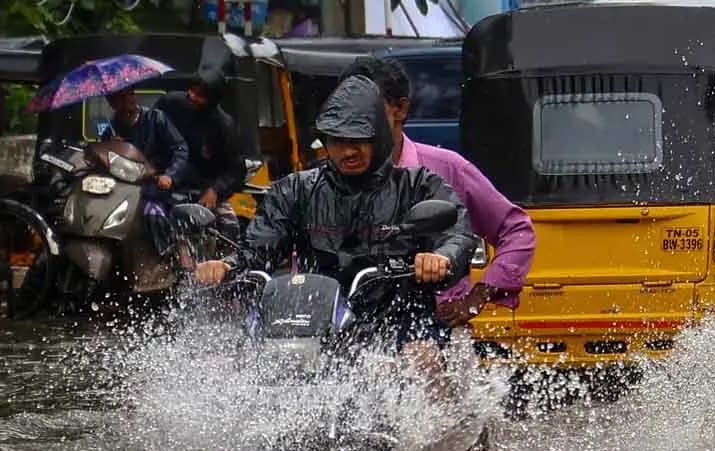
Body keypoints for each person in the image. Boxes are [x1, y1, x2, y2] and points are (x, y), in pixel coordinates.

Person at [194, 75, 478, 384]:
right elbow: (260, 247)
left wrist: (441, 258)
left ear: (379, 137)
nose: (347, 152)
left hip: (397, 319)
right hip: (312, 319)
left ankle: (428, 433)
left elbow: (457, 234)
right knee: (240, 363)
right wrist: (227, 265)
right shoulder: (297, 189)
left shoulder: (418, 185)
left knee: (422, 360)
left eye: (358, 140)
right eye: (337, 141)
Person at [338, 55, 535, 328]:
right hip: (349, 333)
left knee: (424, 359)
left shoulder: (448, 169)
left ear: (400, 109)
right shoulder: (324, 180)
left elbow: (516, 230)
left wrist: (479, 295)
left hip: (436, 334)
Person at [100, 87, 190, 266]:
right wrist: (111, 146)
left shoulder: (156, 119)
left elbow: (180, 149)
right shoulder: (111, 130)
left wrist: (169, 175)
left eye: (131, 93)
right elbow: (102, 159)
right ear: (113, 103)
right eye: (122, 96)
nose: (130, 98)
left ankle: (171, 260)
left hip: (155, 187)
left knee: (153, 215)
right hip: (124, 190)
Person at [155, 67, 246, 241]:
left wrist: (215, 190)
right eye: (192, 90)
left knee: (230, 226)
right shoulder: (170, 104)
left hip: (201, 189)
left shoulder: (224, 126)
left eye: (200, 95)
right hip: (164, 181)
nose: (192, 97)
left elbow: (236, 169)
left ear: (213, 99)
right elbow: (147, 127)